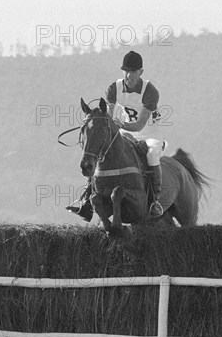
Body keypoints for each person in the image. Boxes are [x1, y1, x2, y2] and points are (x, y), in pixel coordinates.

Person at [67, 51, 166, 221]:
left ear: (140, 72)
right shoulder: (114, 88)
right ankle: (86, 200)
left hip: (150, 133)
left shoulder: (150, 91)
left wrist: (122, 125)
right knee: (103, 150)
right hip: (126, 131)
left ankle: (154, 201)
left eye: (133, 72)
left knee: (151, 155)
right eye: (126, 71)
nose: (128, 75)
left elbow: (140, 124)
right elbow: (109, 116)